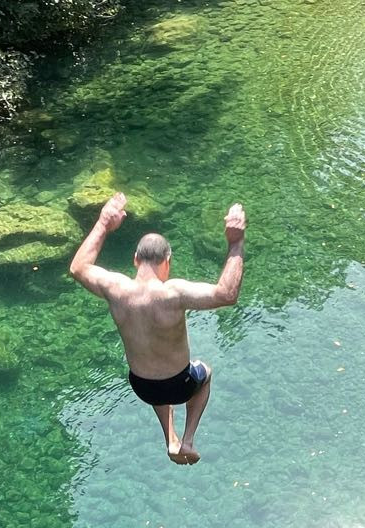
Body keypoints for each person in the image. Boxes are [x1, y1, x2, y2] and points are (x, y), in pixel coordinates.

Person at [69, 194, 246, 464]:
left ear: (135, 259)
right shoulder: (172, 294)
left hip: (141, 386)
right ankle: (187, 440)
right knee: (205, 373)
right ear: (168, 260)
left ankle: (170, 440)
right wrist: (235, 242)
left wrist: (104, 223)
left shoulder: (116, 289)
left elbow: (78, 267)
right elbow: (227, 294)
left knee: (153, 373)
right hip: (180, 385)